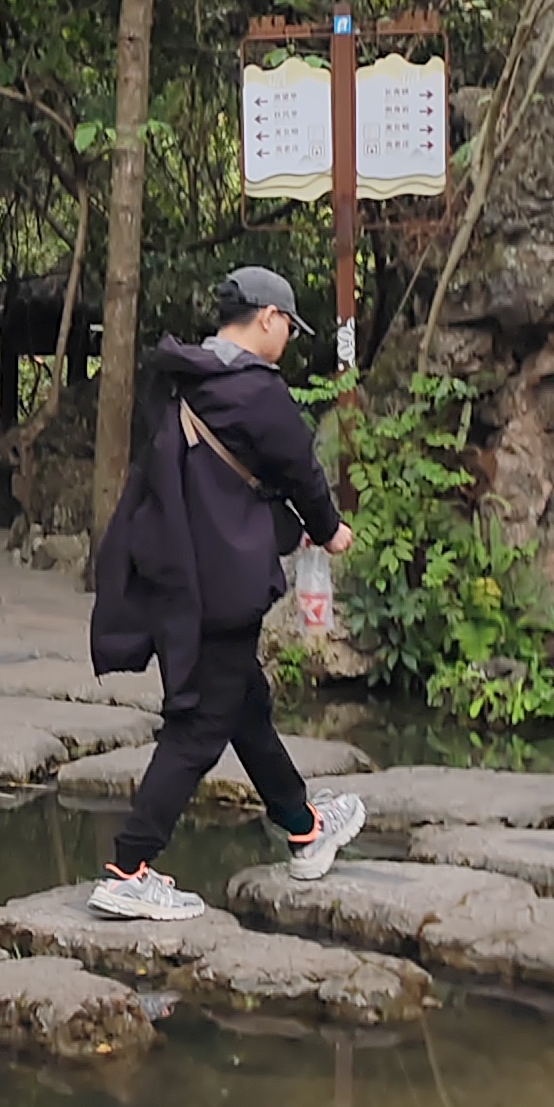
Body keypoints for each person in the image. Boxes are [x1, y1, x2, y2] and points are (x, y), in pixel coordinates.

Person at [86, 266, 368, 921]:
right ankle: (129, 867)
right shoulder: (257, 393)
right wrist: (330, 532)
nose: (289, 341)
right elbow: (300, 469)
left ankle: (303, 828)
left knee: (245, 703)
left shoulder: (183, 379)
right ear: (268, 319)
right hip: (221, 582)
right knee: (198, 726)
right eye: (288, 329)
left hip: (178, 571)